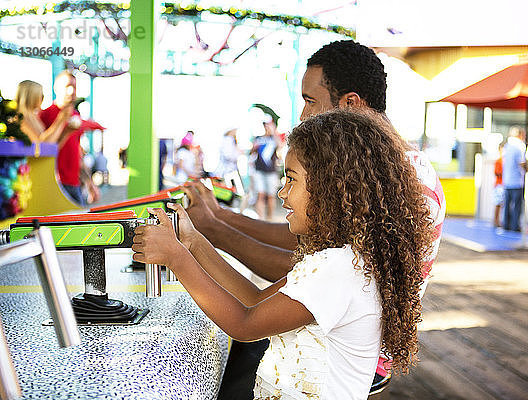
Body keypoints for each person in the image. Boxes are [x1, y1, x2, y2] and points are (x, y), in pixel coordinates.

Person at [181, 40, 445, 400]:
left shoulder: (394, 183)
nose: (304, 115)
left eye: (309, 100)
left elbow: (290, 266)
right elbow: (304, 251)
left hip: (335, 355)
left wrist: (207, 232)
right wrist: (212, 226)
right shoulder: (387, 171)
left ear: (351, 103)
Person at [132, 109, 435, 399]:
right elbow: (253, 300)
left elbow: (244, 324)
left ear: (331, 187)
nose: (282, 192)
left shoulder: (338, 268)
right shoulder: (347, 260)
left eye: (291, 179)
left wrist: (176, 258)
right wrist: (194, 243)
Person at [39, 71, 104, 206]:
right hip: (56, 184)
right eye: (67, 86)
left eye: (74, 87)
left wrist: (90, 183)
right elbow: (43, 150)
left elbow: (77, 153)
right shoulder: (45, 115)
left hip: (74, 183)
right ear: (56, 88)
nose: (71, 91)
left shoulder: (75, 115)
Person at [15, 79, 73, 144]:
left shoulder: (34, 118)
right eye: (40, 94)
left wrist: (66, 133)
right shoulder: (21, 119)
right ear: (32, 97)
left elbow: (50, 148)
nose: (42, 98)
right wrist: (60, 120)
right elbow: (41, 146)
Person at [250, 116, 281, 220]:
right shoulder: (258, 138)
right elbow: (251, 153)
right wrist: (254, 148)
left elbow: (280, 145)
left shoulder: (274, 138)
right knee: (260, 195)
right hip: (259, 170)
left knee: (271, 196)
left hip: (271, 171)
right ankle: (261, 219)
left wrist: (273, 132)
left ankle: (270, 219)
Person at [502, 126, 528, 232]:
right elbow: (521, 163)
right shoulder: (519, 146)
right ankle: (514, 226)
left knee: (507, 205)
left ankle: (506, 225)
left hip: (507, 180)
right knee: (517, 206)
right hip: (517, 181)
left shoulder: (507, 146)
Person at [493, 144, 504, 228]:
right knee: (498, 204)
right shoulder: (499, 161)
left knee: (502, 204)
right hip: (499, 185)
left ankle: (499, 221)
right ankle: (496, 221)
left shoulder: (505, 160)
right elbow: (497, 173)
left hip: (503, 184)